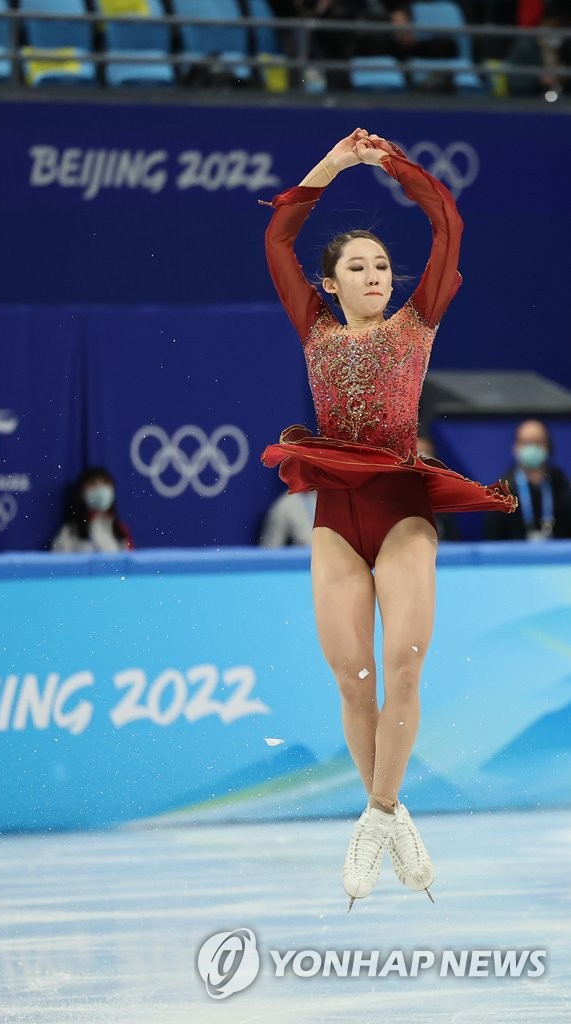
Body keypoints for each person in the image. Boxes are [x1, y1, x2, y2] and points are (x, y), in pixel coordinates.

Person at [260, 128, 516, 909]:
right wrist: (333, 167)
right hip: (337, 515)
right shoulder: (315, 329)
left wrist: (395, 164)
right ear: (330, 284)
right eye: (358, 268)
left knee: (402, 662)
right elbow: (277, 234)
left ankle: (374, 816)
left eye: (380, 266)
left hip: (401, 508)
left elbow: (448, 223)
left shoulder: (418, 323)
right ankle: (392, 809)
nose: (374, 275)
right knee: (353, 674)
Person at [484, 419, 571, 540]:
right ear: (515, 448)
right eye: (525, 442)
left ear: (548, 447)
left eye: (537, 442)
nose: (531, 448)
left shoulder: (563, 487)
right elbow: (492, 543)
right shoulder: (501, 493)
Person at [50, 467, 134, 553]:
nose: (100, 488)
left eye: (105, 483)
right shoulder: (69, 532)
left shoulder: (121, 531)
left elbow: (130, 563)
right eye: (92, 483)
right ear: (81, 493)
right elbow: (58, 564)